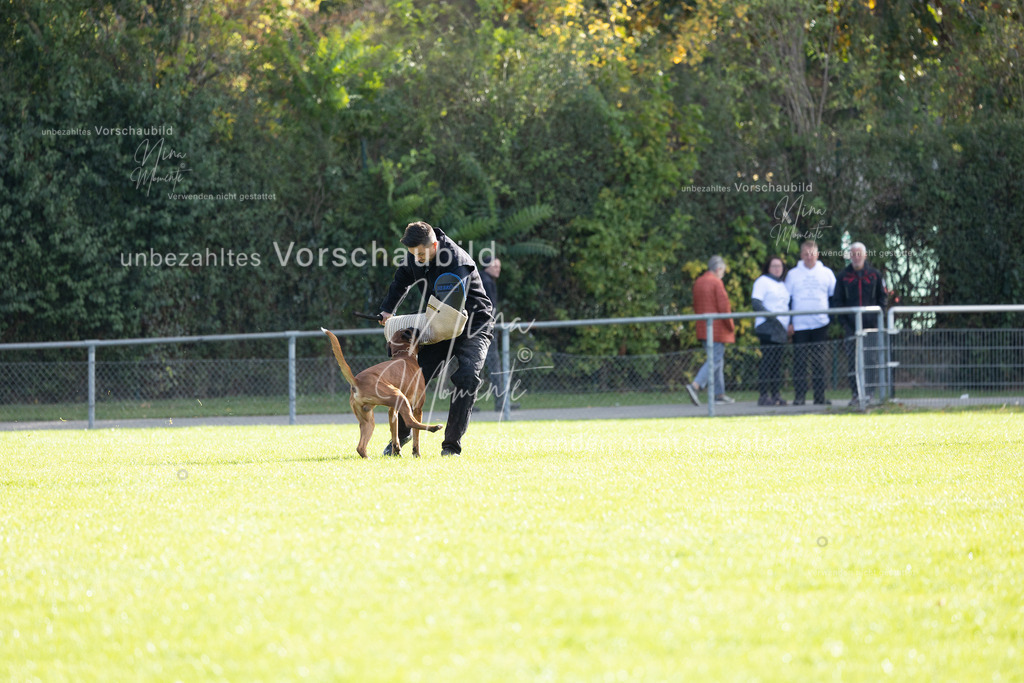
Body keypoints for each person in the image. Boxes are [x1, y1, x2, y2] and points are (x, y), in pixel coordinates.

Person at [379, 221, 494, 456]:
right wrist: (388, 309)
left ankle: (451, 447)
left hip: (472, 324)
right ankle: (399, 438)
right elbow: (402, 278)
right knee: (412, 376)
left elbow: (452, 310)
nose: (417, 258)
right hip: (439, 320)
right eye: (413, 254)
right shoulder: (417, 254)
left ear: (434, 244)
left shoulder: (456, 261)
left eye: (421, 253)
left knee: (467, 377)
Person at [832, 242, 887, 405]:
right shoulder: (843, 276)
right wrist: (845, 322)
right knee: (853, 362)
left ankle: (869, 393)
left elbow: (882, 299)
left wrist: (878, 318)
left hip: (871, 326)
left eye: (859, 253)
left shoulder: (875, 275)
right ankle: (856, 394)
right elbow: (837, 301)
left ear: (865, 255)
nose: (856, 257)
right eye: (853, 254)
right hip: (851, 327)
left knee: (871, 360)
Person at [785, 240, 836, 405]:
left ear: (817, 255)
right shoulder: (793, 274)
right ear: (801, 255)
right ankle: (799, 397)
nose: (809, 257)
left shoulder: (826, 273)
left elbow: (833, 297)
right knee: (799, 362)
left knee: (819, 362)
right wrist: (789, 322)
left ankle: (819, 397)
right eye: (806, 254)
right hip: (799, 325)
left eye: (812, 254)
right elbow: (787, 299)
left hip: (820, 324)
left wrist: (830, 319)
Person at [685, 255, 735, 406]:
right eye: (723, 272)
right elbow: (724, 307)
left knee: (717, 360)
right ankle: (696, 385)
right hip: (717, 328)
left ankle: (719, 394)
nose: (723, 275)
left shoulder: (698, 282)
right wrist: (731, 326)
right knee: (715, 359)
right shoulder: (716, 283)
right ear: (718, 269)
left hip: (703, 327)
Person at [478, 255, 519, 412]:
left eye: (499, 267)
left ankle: (469, 404)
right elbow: (489, 308)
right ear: (487, 266)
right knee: (494, 366)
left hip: (476, 329)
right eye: (495, 266)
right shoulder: (487, 282)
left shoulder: (482, 279)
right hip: (484, 330)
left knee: (474, 368)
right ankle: (502, 404)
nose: (498, 269)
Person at [751, 255, 791, 406]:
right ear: (768, 267)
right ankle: (763, 396)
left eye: (779, 266)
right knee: (767, 362)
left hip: (781, 329)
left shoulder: (782, 284)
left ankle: (775, 395)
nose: (777, 269)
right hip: (768, 328)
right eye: (774, 266)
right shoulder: (762, 281)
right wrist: (772, 318)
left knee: (777, 364)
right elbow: (756, 303)